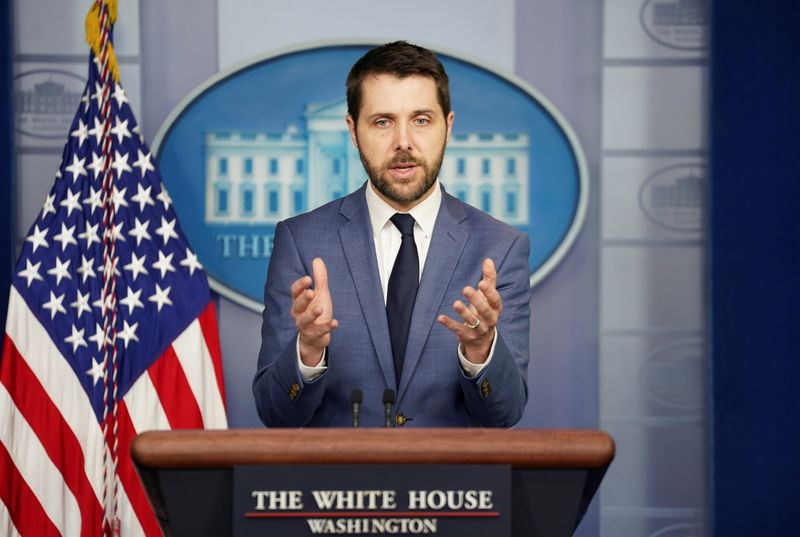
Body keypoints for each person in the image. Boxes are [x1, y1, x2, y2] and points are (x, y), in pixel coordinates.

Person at [253, 41, 530, 427]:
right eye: (382, 121)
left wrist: (482, 350)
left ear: (447, 127)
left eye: (421, 120)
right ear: (353, 131)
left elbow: (505, 413)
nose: (403, 142)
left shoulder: (501, 248)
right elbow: (274, 413)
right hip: (339, 485)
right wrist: (309, 350)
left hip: (451, 486)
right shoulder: (301, 241)